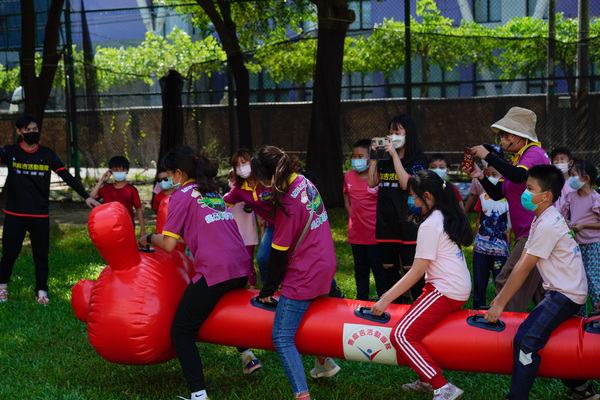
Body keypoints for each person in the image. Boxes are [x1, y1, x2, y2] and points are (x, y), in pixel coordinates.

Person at [137, 146, 261, 400]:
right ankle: (247, 356)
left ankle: (198, 395)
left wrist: (148, 237)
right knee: (228, 312)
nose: (168, 179)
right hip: (240, 267)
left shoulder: (180, 196)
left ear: (179, 173)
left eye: (169, 174)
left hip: (216, 270)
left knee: (181, 331)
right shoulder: (211, 192)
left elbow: (169, 244)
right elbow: (203, 228)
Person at [484, 164, 598, 400]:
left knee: (526, 341)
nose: (524, 193)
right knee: (553, 340)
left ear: (546, 196)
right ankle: (581, 390)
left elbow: (524, 268)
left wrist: (500, 304)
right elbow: (522, 262)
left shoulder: (547, 224)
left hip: (564, 295)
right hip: (561, 292)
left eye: (529, 188)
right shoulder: (543, 218)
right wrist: (501, 296)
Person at [371, 169, 473, 400]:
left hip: (446, 290)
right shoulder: (442, 215)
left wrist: (384, 299)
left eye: (413, 196)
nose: (411, 201)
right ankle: (426, 379)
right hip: (447, 286)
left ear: (426, 196)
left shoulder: (430, 225)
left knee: (401, 335)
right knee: (415, 329)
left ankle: (442, 386)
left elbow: (416, 272)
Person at [253, 146, 340, 400]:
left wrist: (267, 291)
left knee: (281, 336)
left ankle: (302, 396)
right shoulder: (304, 182)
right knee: (313, 319)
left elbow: (277, 255)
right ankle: (324, 362)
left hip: (306, 273)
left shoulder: (287, 201)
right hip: (325, 263)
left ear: (268, 176)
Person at [0, 114, 100, 305]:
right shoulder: (10, 151)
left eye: (34, 129)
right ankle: (2, 287)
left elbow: (67, 177)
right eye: (27, 130)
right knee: (9, 254)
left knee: (41, 255)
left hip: (40, 214)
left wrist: (86, 196)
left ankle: (41, 291)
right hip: (15, 214)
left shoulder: (46, 154)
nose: (32, 133)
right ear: (19, 132)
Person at [465, 106, 550, 312]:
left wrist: (489, 157)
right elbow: (497, 193)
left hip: (536, 232)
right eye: (501, 135)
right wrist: (481, 176)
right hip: (527, 233)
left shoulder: (534, 153)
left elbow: (519, 176)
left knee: (508, 279)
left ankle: (504, 326)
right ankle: (550, 334)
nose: (502, 139)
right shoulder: (517, 160)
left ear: (522, 136)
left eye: (507, 134)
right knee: (540, 291)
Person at [367, 114, 427, 303]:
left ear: (408, 134)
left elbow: (406, 185)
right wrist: (375, 157)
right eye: (390, 132)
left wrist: (394, 155)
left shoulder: (418, 159)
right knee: (388, 269)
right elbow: (371, 182)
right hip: (385, 222)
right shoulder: (384, 157)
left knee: (411, 270)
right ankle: (392, 308)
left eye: (397, 131)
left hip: (409, 223)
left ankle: (418, 308)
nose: (392, 136)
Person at [343, 139, 386, 300]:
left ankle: (383, 300)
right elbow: (346, 196)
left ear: (370, 157)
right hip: (356, 235)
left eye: (360, 156)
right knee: (360, 269)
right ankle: (362, 300)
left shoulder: (377, 177)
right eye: (354, 156)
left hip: (375, 235)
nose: (356, 159)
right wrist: (352, 214)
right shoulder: (348, 176)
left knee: (379, 270)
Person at [223, 149, 273, 285]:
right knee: (263, 258)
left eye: (244, 163)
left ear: (252, 162)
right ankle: (267, 291)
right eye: (237, 165)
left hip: (289, 222)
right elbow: (222, 203)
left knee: (300, 254)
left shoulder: (266, 179)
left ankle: (330, 285)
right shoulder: (239, 189)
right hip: (272, 226)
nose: (241, 168)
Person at [559, 159, 600, 314]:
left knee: (592, 279)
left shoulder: (596, 199)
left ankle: (597, 315)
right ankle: (580, 317)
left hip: (593, 245)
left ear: (586, 178)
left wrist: (585, 226)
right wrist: (569, 223)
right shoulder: (570, 197)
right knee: (577, 282)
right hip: (575, 245)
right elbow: (563, 217)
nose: (570, 179)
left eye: (574, 175)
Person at [472, 160, 510, 310]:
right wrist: (476, 244)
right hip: (480, 249)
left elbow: (510, 226)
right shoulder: (482, 196)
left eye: (495, 175)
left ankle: (500, 310)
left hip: (500, 251)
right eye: (489, 174)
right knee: (479, 283)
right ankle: (476, 312)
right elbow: (478, 220)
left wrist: (509, 246)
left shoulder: (508, 199)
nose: (491, 177)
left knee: (500, 282)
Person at [90, 155, 146, 237]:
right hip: (108, 225)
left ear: (127, 171)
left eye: (122, 170)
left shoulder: (131, 190)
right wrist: (102, 180)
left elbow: (138, 209)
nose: (119, 172)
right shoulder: (106, 189)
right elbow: (92, 197)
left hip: (127, 225)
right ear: (111, 171)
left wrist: (143, 229)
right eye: (116, 170)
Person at [227, 168, 259, 289]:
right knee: (234, 263)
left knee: (249, 264)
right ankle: (237, 287)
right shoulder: (228, 198)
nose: (235, 184)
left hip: (249, 237)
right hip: (233, 238)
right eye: (233, 181)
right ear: (229, 181)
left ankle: (252, 288)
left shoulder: (250, 196)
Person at [551, 146, 575, 211]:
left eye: (562, 159)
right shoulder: (550, 183)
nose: (559, 162)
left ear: (570, 163)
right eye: (556, 159)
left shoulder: (575, 184)